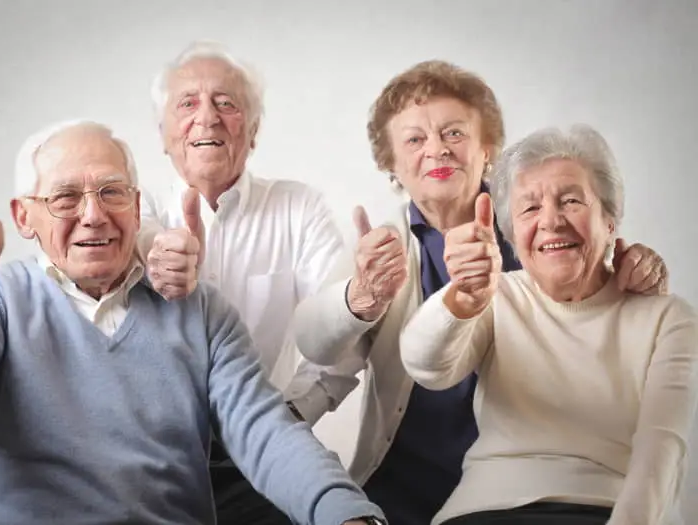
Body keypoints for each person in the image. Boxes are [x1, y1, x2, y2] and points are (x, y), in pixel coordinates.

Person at [0, 120, 385, 525]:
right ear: (24, 217)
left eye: (111, 192)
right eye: (66, 198)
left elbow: (265, 430)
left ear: (135, 205)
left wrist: (346, 514)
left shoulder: (201, 310)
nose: (93, 215)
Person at [291, 60, 670, 525]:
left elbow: (607, 317)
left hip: (525, 490)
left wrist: (638, 272)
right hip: (404, 486)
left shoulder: (539, 231)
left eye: (454, 133)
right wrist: (361, 297)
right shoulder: (382, 249)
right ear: (391, 163)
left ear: (487, 148)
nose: (437, 151)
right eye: (414, 139)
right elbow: (317, 349)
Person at [399, 124, 698, 525]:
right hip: (485, 512)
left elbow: (663, 445)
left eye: (571, 200)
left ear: (609, 220)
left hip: (607, 509)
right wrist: (462, 299)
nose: (551, 221)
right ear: (512, 236)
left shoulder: (667, 318)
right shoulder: (497, 296)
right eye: (530, 208)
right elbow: (427, 367)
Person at [138, 41, 362, 525]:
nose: (207, 117)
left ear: (253, 131)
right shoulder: (136, 209)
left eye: (226, 103)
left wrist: (291, 416)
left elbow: (341, 335)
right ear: (163, 134)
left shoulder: (297, 208)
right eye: (187, 103)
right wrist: (158, 252)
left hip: (259, 460)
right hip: (150, 463)